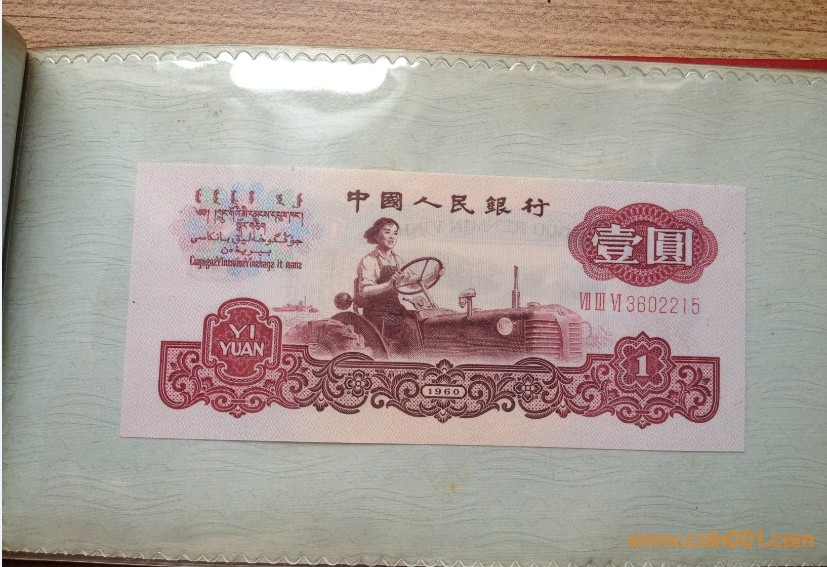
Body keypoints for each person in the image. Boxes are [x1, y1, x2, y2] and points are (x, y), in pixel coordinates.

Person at [356, 218, 410, 343]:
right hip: (377, 313)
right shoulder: (369, 261)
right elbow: (365, 290)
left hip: (396, 310)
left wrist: (434, 275)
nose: (392, 237)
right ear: (376, 236)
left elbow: (413, 283)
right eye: (387, 232)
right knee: (408, 330)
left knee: (416, 324)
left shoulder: (398, 260)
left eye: (395, 233)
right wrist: (389, 284)